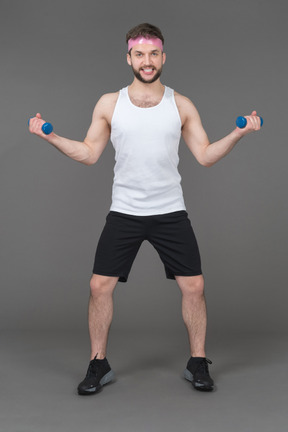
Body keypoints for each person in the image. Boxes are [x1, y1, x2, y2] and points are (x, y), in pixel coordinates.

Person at [29, 23, 262, 394]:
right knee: (99, 285)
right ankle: (98, 363)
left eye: (154, 53)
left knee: (195, 286)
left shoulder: (180, 104)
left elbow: (204, 156)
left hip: (170, 210)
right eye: (139, 53)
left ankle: (197, 361)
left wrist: (237, 133)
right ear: (129, 58)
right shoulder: (110, 103)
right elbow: (90, 154)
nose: (147, 60)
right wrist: (51, 136)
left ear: (163, 57)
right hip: (125, 211)